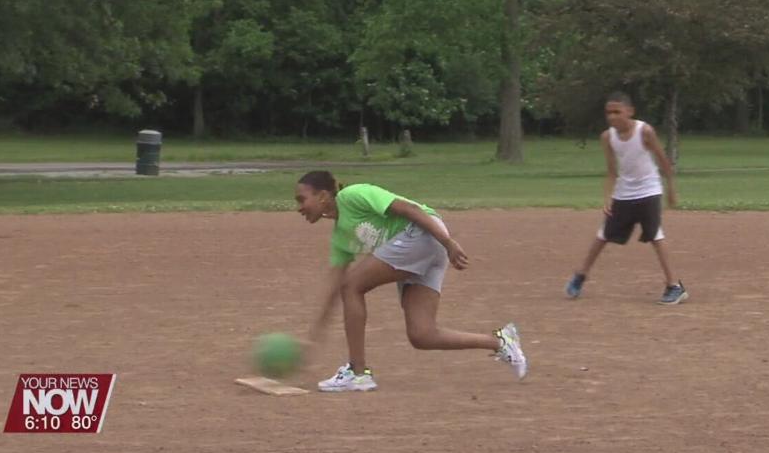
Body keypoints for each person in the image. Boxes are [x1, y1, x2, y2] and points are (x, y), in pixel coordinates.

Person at [295, 170, 527, 392]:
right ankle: (500, 341)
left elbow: (408, 208)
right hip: (421, 247)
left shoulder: (353, 195)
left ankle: (358, 373)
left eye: (302, 199)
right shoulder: (340, 237)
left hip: (423, 234)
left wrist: (447, 243)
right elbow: (334, 289)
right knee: (422, 334)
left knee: (352, 285)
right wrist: (313, 340)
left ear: (323, 196)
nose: (299, 208)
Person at [565, 92, 689, 305]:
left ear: (629, 112)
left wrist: (671, 190)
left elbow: (663, 161)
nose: (612, 117)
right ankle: (580, 275)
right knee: (603, 235)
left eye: (617, 111)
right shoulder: (608, 137)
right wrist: (607, 198)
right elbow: (612, 171)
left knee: (655, 236)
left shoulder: (644, 131)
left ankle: (674, 286)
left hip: (649, 190)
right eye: (608, 113)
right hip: (624, 192)